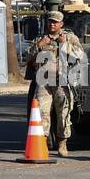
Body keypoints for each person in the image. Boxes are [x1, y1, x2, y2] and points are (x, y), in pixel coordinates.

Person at [28, 9, 83, 156]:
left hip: (62, 82)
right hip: (44, 82)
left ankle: (62, 144)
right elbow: (28, 57)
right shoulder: (41, 38)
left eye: (55, 22)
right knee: (41, 113)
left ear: (61, 24)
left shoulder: (69, 38)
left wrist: (64, 45)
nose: (52, 24)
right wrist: (39, 45)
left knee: (63, 113)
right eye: (50, 21)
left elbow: (80, 55)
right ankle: (42, 142)